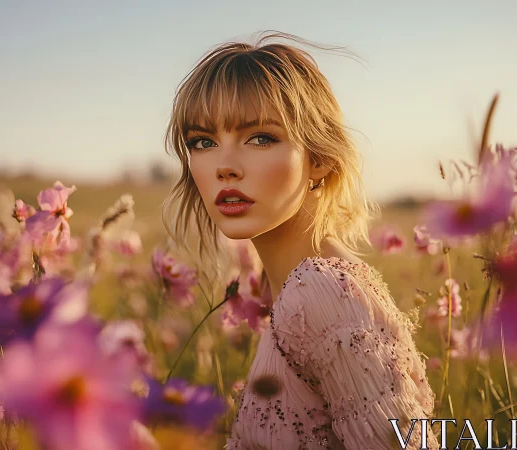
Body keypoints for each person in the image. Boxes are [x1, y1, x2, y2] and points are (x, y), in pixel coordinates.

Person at [161, 31, 439, 449]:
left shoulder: (322, 291)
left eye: (260, 138)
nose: (224, 166)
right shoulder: (292, 288)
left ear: (320, 158)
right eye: (203, 142)